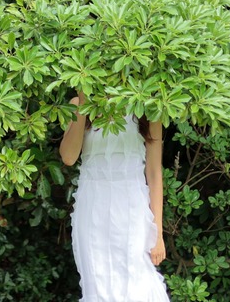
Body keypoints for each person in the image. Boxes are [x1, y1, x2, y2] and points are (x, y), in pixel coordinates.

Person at [60, 91, 170, 302]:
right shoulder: (78, 103)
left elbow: (155, 173)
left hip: (132, 206)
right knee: (97, 284)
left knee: (138, 282)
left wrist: (158, 234)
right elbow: (68, 157)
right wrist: (84, 101)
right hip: (92, 206)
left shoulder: (148, 105)